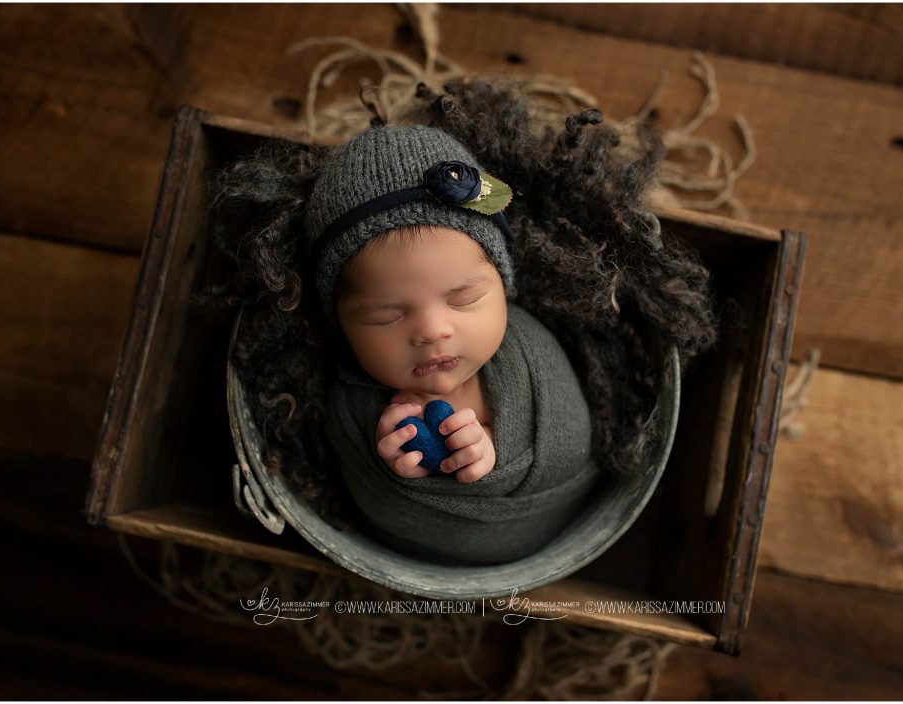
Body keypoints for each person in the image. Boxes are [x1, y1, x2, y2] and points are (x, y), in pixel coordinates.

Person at [207, 78, 718, 565]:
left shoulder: (532, 352)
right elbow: (359, 484)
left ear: (505, 287)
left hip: (542, 529)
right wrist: (394, 466)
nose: (431, 330)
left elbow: (572, 442)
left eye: (465, 298)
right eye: (386, 315)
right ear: (338, 322)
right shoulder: (348, 399)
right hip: (412, 552)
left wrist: (494, 449)